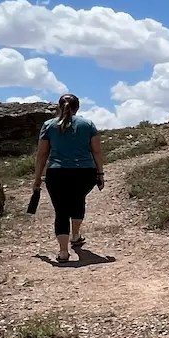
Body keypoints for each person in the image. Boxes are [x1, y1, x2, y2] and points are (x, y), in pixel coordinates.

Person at [32, 94, 106, 263]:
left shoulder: (48, 125)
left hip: (57, 173)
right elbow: (96, 151)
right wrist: (100, 173)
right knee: (78, 199)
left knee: (61, 210)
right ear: (77, 108)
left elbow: (42, 154)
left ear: (59, 106)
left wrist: (37, 178)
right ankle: (76, 235)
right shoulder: (87, 125)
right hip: (85, 172)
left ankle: (63, 252)